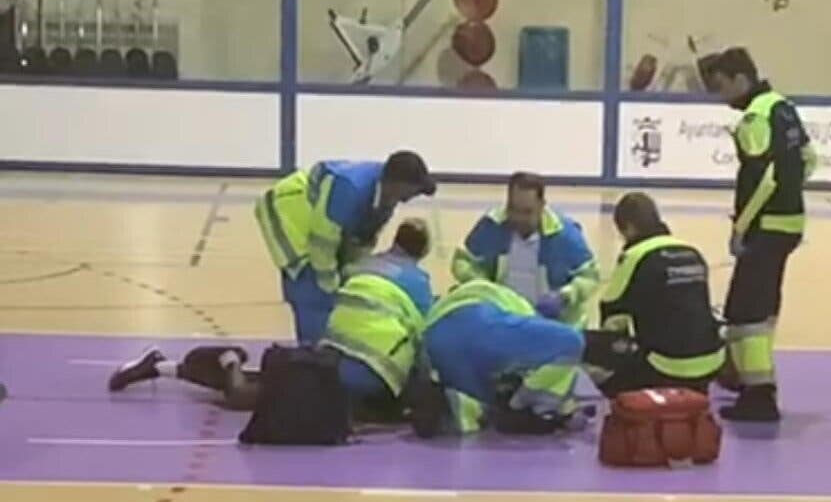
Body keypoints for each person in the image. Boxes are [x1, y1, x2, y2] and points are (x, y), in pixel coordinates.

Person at [108, 221, 435, 421]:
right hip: (360, 373)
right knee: (244, 396)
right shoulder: (418, 283)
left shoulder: (362, 265)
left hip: (335, 356)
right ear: (421, 253)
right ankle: (228, 359)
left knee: (270, 381)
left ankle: (162, 366)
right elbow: (423, 342)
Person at [697, 47, 815, 422]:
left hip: (766, 227)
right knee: (762, 308)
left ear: (740, 80)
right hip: (792, 222)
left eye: (722, 87)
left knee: (744, 315)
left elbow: (762, 178)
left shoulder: (754, 118)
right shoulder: (784, 107)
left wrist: (741, 226)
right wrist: (791, 193)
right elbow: (809, 160)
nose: (721, 96)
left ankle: (759, 395)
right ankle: (755, 382)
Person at [254, 151, 436, 345]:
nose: (411, 198)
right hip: (290, 215)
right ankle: (310, 354)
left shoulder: (386, 199)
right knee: (312, 287)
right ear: (398, 184)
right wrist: (331, 287)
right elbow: (321, 244)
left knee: (333, 285)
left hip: (318, 225)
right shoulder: (348, 189)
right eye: (413, 191)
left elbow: (363, 239)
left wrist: (349, 275)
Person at [586, 192, 723, 396]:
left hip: (665, 367)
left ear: (628, 227)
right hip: (711, 362)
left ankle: (627, 398)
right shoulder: (691, 251)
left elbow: (613, 312)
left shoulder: (635, 255)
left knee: (585, 345)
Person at [410, 279, 586, 437]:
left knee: (485, 405)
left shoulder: (451, 299)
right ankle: (518, 408)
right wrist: (527, 403)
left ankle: (451, 408)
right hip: (479, 321)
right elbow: (556, 354)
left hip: (437, 340)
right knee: (571, 343)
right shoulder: (525, 310)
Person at [451, 172, 599, 327]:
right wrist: (483, 286)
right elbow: (463, 260)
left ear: (542, 205)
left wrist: (565, 296)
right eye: (513, 209)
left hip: (555, 326)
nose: (519, 218)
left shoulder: (565, 235)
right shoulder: (491, 227)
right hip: (501, 321)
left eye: (527, 212)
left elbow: (590, 276)